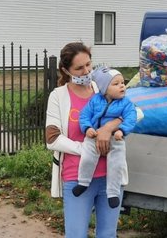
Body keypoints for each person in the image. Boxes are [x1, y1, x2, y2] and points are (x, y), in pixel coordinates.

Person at [45, 42, 126, 238]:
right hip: (76, 178)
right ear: (66, 70)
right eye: (79, 68)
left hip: (110, 177)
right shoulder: (59, 96)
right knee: (76, 235)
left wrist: (107, 128)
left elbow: (132, 112)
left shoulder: (104, 88)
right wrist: (87, 148)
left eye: (89, 64)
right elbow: (52, 139)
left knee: (108, 234)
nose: (87, 71)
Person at [72, 66, 137, 209]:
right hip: (94, 136)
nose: (122, 86)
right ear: (104, 89)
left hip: (116, 139)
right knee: (87, 157)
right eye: (116, 84)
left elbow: (131, 117)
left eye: (122, 83)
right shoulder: (95, 100)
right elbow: (84, 115)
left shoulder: (126, 103)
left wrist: (122, 130)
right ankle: (83, 182)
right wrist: (87, 127)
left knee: (116, 164)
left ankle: (113, 192)